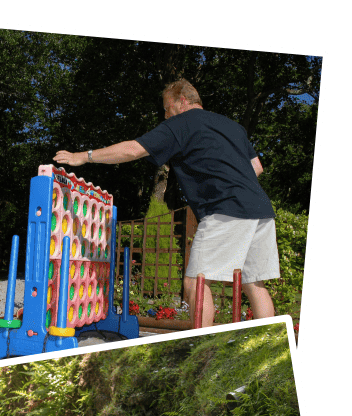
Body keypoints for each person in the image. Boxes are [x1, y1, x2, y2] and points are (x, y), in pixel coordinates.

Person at [54, 78, 278, 327]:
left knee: (196, 283)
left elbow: (132, 150)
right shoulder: (232, 126)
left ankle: (201, 351)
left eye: (166, 107)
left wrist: (84, 157)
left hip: (225, 210)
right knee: (253, 282)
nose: (165, 114)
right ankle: (267, 342)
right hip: (261, 210)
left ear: (182, 102)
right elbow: (256, 168)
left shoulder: (182, 123)